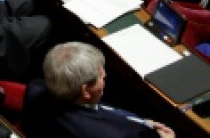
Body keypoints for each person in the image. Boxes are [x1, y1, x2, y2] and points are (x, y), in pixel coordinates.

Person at [23, 43, 174, 137]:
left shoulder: (35, 88)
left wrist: (143, 122)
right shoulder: (117, 134)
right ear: (86, 91)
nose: (105, 75)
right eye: (101, 76)